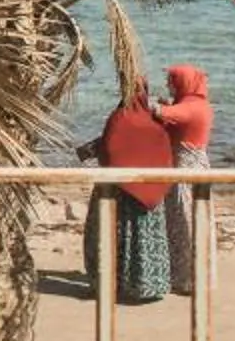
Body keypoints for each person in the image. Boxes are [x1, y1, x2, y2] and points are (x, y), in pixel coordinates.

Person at [83, 77, 174, 305]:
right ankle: (149, 284)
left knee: (113, 235)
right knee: (144, 238)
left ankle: (109, 283)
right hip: (149, 194)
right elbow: (163, 154)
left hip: (116, 191)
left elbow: (109, 148)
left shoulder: (119, 117)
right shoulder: (154, 122)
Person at [157, 62, 215, 296]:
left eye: (171, 81)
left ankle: (187, 278)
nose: (168, 85)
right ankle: (189, 275)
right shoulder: (196, 104)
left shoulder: (192, 107)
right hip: (191, 167)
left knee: (185, 220)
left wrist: (143, 99)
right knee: (188, 219)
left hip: (186, 169)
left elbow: (162, 114)